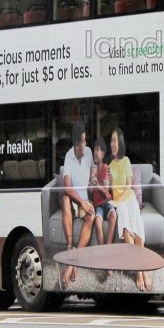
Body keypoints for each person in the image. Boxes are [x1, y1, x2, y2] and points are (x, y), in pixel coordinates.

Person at [108, 127, 151, 291]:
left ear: (120, 143)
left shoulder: (126, 161)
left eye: (115, 140)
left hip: (128, 198)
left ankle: (141, 271)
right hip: (119, 202)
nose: (112, 144)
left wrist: (119, 200)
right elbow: (110, 190)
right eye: (111, 140)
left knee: (137, 223)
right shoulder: (109, 166)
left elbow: (129, 185)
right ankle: (141, 271)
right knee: (125, 225)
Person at [59, 120, 95, 289]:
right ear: (75, 144)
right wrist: (81, 202)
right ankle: (69, 246)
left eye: (85, 140)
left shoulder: (89, 153)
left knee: (91, 216)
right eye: (82, 142)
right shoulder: (69, 156)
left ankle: (72, 262)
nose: (84, 145)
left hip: (86, 200)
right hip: (75, 200)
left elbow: (94, 174)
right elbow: (66, 186)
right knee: (64, 198)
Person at [89, 137, 117, 247]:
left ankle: (108, 246)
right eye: (94, 150)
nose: (95, 152)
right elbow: (90, 193)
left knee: (113, 216)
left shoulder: (105, 168)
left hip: (106, 201)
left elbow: (106, 190)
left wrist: (97, 186)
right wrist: (90, 184)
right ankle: (102, 248)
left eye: (98, 150)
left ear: (103, 154)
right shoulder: (92, 170)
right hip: (97, 205)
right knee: (97, 221)